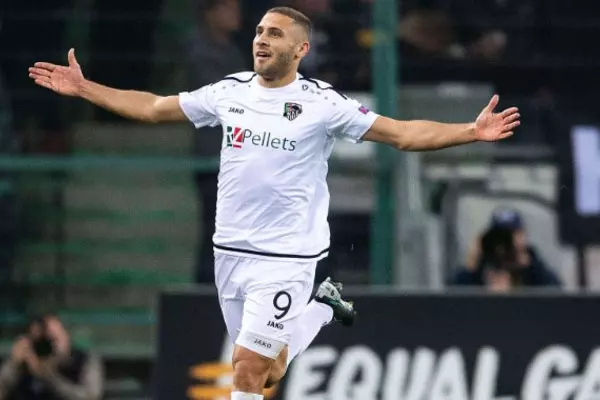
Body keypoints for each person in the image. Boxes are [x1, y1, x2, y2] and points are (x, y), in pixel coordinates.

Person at [27, 6, 520, 399]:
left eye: (275, 34)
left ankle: (315, 303)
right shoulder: (229, 92)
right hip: (229, 252)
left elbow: (402, 133)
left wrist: (470, 131)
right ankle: (323, 307)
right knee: (269, 371)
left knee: (245, 368)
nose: (261, 39)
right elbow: (155, 108)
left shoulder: (323, 103)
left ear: (301, 49)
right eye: (260, 31)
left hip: (286, 256)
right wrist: (85, 88)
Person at [453, 207, 562, 290]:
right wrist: (471, 268)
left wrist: (532, 267)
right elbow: (453, 296)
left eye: (512, 235)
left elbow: (556, 294)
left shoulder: (532, 266)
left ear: (523, 236)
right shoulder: (483, 264)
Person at [0, 314, 104, 400]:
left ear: (66, 335)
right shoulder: (24, 363)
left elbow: (90, 397)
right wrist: (13, 364)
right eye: (43, 341)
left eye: (54, 339)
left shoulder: (85, 360)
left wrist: (49, 378)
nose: (50, 347)